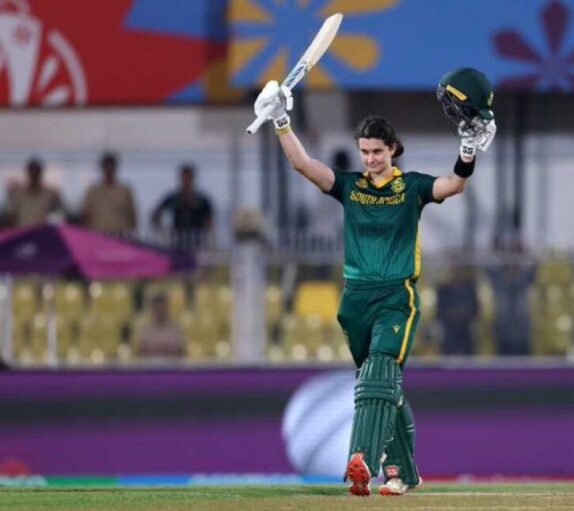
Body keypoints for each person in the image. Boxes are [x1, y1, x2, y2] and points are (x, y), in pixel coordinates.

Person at [250, 67, 496, 497]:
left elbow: (454, 184)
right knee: (386, 386)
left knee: (378, 376)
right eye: (364, 152)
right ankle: (402, 473)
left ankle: (359, 458)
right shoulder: (349, 187)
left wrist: (468, 153)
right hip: (355, 302)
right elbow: (303, 164)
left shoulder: (413, 187)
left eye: (377, 152)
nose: (369, 160)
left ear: (393, 150)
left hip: (396, 297)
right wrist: (281, 121)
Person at [151, 164, 214, 250]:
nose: (186, 180)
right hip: (177, 239)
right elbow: (157, 212)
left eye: (188, 177)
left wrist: (208, 238)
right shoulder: (174, 198)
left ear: (192, 178)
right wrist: (162, 231)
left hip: (196, 239)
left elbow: (209, 220)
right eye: (184, 177)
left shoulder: (201, 200)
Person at [81, 152, 137, 235]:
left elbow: (132, 215)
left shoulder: (125, 190)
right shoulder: (93, 191)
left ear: (115, 168)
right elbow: (86, 214)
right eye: (107, 167)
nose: (109, 170)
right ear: (102, 168)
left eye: (111, 167)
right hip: (97, 234)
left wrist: (131, 233)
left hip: (119, 234)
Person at [5, 158, 65, 227]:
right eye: (32, 171)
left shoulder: (50, 194)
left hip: (43, 231)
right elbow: (11, 217)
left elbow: (59, 213)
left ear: (41, 172)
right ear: (28, 172)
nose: (34, 174)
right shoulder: (17, 194)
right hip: (22, 231)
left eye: (36, 171)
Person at [134, 292, 185, 359]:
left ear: (167, 308)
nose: (159, 312)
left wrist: (157, 351)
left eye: (161, 309)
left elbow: (179, 352)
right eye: (157, 310)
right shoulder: (145, 330)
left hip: (170, 367)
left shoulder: (175, 329)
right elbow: (141, 352)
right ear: (152, 309)